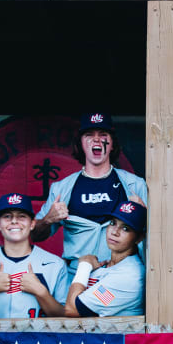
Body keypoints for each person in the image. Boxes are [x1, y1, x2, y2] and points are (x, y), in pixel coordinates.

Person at [35, 112, 148, 272]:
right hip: (77, 277)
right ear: (81, 143)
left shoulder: (134, 185)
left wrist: (146, 217)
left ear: (112, 144)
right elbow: (35, 235)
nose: (96, 139)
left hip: (121, 276)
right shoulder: (62, 188)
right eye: (89, 135)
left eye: (103, 134)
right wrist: (48, 219)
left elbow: (156, 237)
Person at [0, 193, 71, 319]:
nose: (14, 221)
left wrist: (41, 292)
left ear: (32, 224)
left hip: (38, 338)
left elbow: (67, 317)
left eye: (22, 216)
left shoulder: (55, 264)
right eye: (7, 216)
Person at [65, 200, 147, 317]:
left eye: (125, 228)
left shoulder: (128, 275)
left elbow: (72, 309)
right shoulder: (110, 264)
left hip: (117, 334)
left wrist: (84, 266)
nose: (115, 232)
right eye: (113, 223)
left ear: (139, 238)